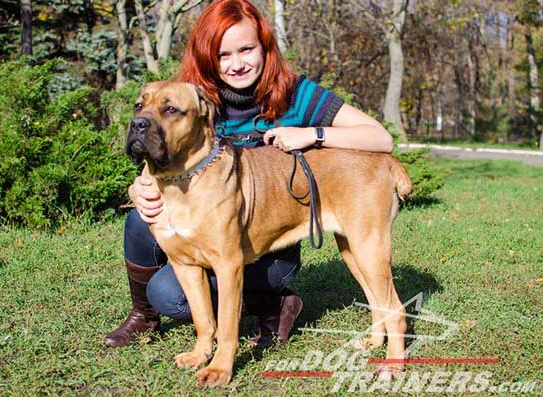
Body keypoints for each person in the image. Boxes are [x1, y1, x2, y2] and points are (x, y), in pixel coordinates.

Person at [104, 0, 393, 349]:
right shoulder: (192, 95)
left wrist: (310, 134)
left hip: (270, 241)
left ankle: (274, 303)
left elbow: (380, 138)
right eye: (223, 54)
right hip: (205, 217)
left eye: (246, 49)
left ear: (265, 48)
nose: (236, 63)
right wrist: (142, 185)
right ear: (208, 55)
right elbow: (166, 151)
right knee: (140, 223)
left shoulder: (293, 93)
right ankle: (143, 317)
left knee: (170, 296)